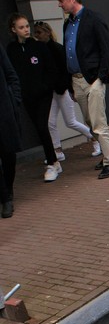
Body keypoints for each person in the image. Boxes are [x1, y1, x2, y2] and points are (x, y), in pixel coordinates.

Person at [57, 0, 109, 179]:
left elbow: (106, 48)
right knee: (90, 123)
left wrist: (100, 77)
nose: (59, 4)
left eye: (61, 0)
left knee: (99, 122)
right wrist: (71, 85)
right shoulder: (67, 23)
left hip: (92, 79)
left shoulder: (93, 18)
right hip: (76, 80)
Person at [32, 21, 99, 162]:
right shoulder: (40, 50)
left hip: (61, 90)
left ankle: (94, 139)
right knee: (50, 122)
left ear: (47, 33)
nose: (36, 36)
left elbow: (65, 70)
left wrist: (68, 88)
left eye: (39, 32)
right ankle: (57, 150)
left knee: (70, 121)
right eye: (35, 33)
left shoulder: (57, 49)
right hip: (52, 91)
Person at [6, 13, 62, 183]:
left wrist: (46, 86)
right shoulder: (11, 50)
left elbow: (51, 69)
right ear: (14, 30)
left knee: (42, 126)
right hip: (27, 97)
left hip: (43, 95)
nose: (26, 30)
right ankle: (54, 161)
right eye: (21, 27)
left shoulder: (39, 47)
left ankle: (52, 163)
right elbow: (12, 74)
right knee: (39, 129)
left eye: (27, 26)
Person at [0, 45, 21, 218]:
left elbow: (11, 74)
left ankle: (8, 187)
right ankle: (5, 198)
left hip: (4, 109)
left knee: (8, 153)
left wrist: (15, 100)